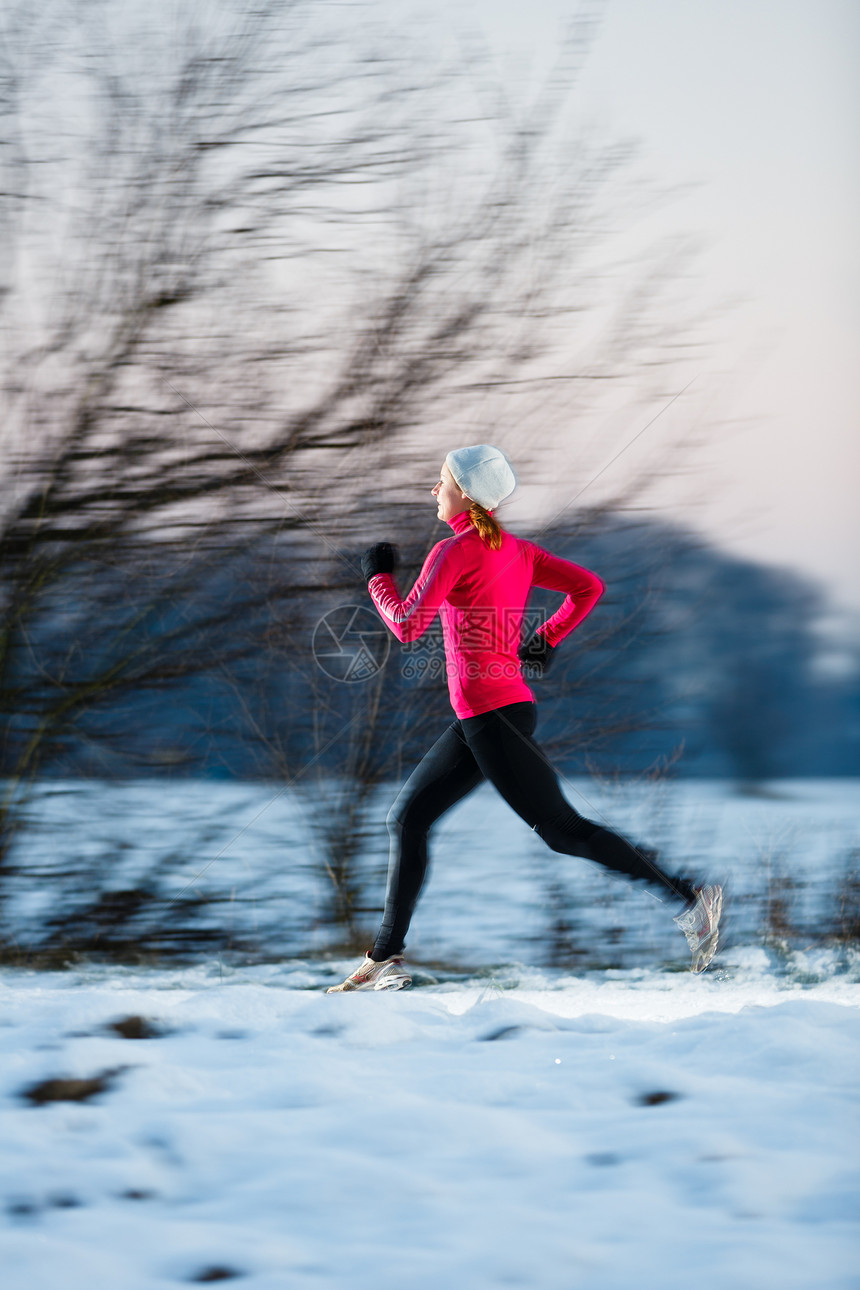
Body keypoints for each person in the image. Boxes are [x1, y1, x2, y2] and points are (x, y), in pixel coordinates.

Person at [326, 445, 722, 992]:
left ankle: (689, 900)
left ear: (465, 493)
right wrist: (546, 638)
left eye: (440, 482)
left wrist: (378, 579)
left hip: (492, 715)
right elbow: (590, 588)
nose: (433, 490)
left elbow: (407, 626)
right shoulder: (518, 551)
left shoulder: (454, 551)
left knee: (563, 830)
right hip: (489, 713)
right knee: (408, 818)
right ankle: (385, 959)